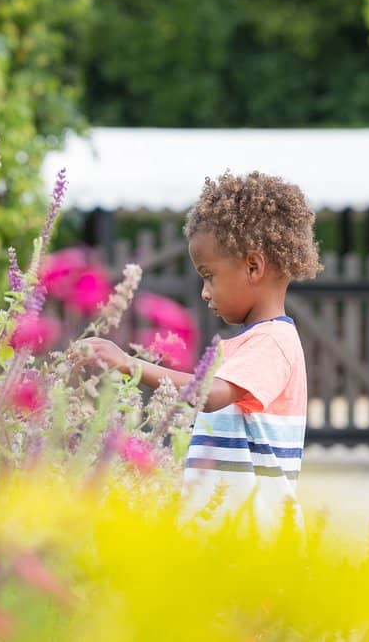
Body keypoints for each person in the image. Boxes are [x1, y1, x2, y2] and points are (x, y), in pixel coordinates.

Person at [80, 170, 321, 528]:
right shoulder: (250, 344)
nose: (204, 292)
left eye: (209, 276)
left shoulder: (272, 342)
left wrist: (128, 363)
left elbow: (208, 393)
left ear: (253, 266)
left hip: (253, 543)